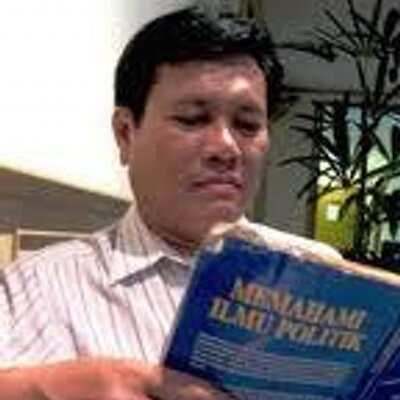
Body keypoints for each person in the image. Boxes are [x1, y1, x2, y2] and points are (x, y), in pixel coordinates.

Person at [0, 7, 341, 400]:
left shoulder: (318, 274)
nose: (226, 147)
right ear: (126, 133)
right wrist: (42, 388)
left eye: (247, 125)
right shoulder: (37, 287)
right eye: (193, 119)